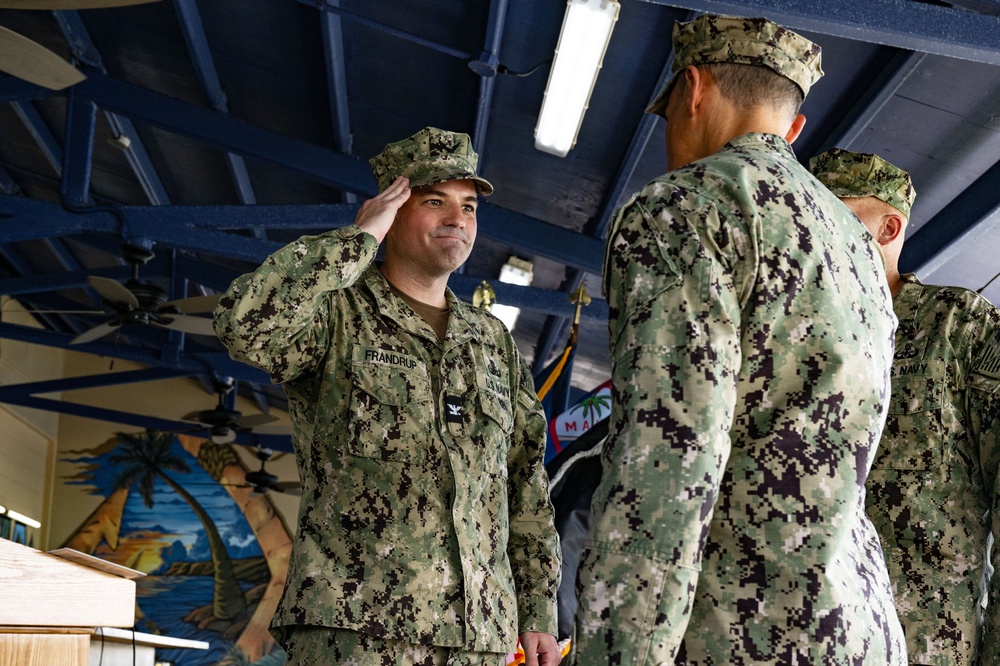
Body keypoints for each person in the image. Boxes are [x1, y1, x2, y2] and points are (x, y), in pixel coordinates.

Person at [573, 15, 906, 664]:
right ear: (793, 127)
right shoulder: (857, 249)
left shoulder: (689, 208)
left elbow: (667, 458)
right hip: (859, 624)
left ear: (692, 91)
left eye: (667, 112)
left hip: (742, 626)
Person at [214, 127, 562, 666]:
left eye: (468, 207)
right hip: (356, 633)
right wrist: (355, 242)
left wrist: (538, 608)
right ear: (391, 212)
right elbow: (244, 325)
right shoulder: (337, 314)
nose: (458, 220)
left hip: (481, 637)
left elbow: (524, 480)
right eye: (434, 202)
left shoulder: (493, 342)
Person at [810, 147, 1000, 666]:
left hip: (925, 644)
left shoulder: (956, 328)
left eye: (837, 218)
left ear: (889, 229)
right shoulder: (799, 344)